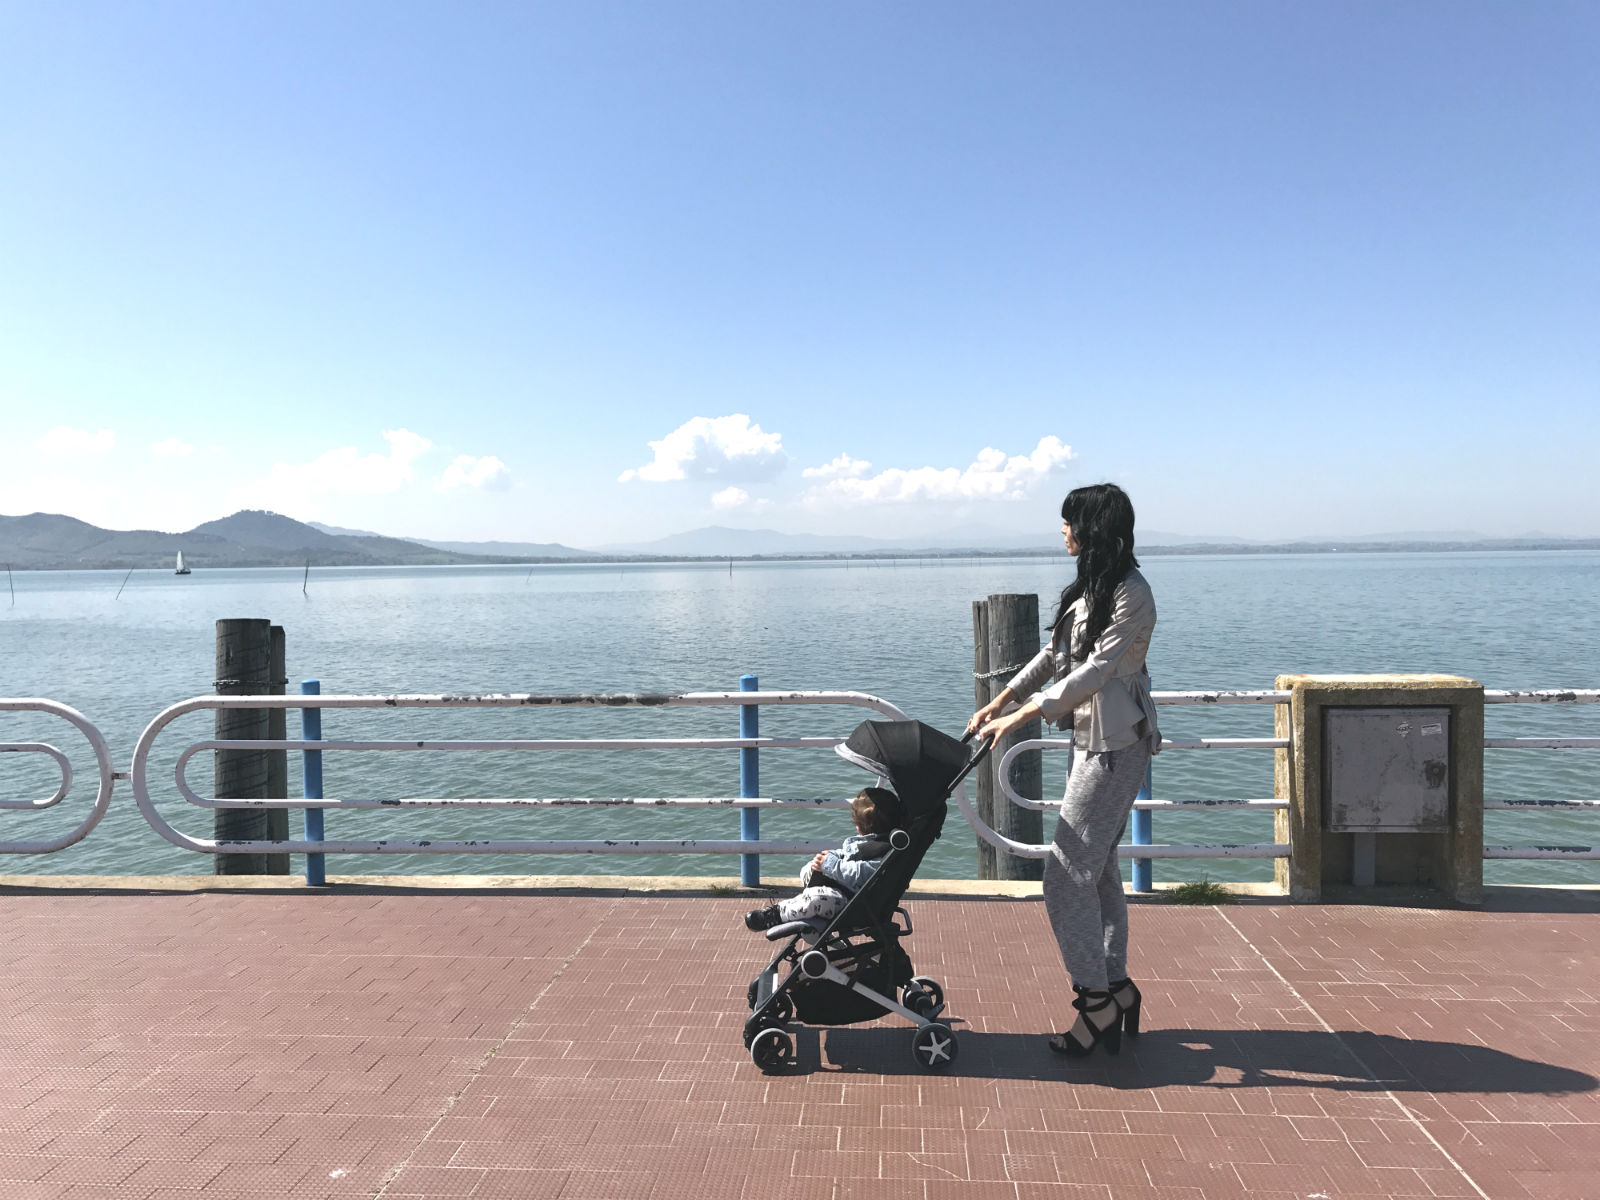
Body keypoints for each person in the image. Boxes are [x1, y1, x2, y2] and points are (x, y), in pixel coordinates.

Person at [967, 483, 1159, 1056]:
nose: (1062, 530)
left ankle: (1095, 1000)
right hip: (1087, 739)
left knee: (1064, 875)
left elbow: (1096, 671)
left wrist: (1027, 712)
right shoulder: (1092, 588)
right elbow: (1055, 656)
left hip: (1116, 745)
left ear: (1093, 528)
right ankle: (1116, 987)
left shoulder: (1133, 594)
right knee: (1098, 871)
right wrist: (1003, 699)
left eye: (1069, 520)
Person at [743, 786, 902, 930]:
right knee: (808, 870)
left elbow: (859, 873)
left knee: (817, 899)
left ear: (859, 827)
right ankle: (804, 903)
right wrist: (829, 858)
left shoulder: (884, 852)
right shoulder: (873, 843)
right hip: (843, 885)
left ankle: (776, 914)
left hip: (853, 901)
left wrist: (831, 864)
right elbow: (847, 854)